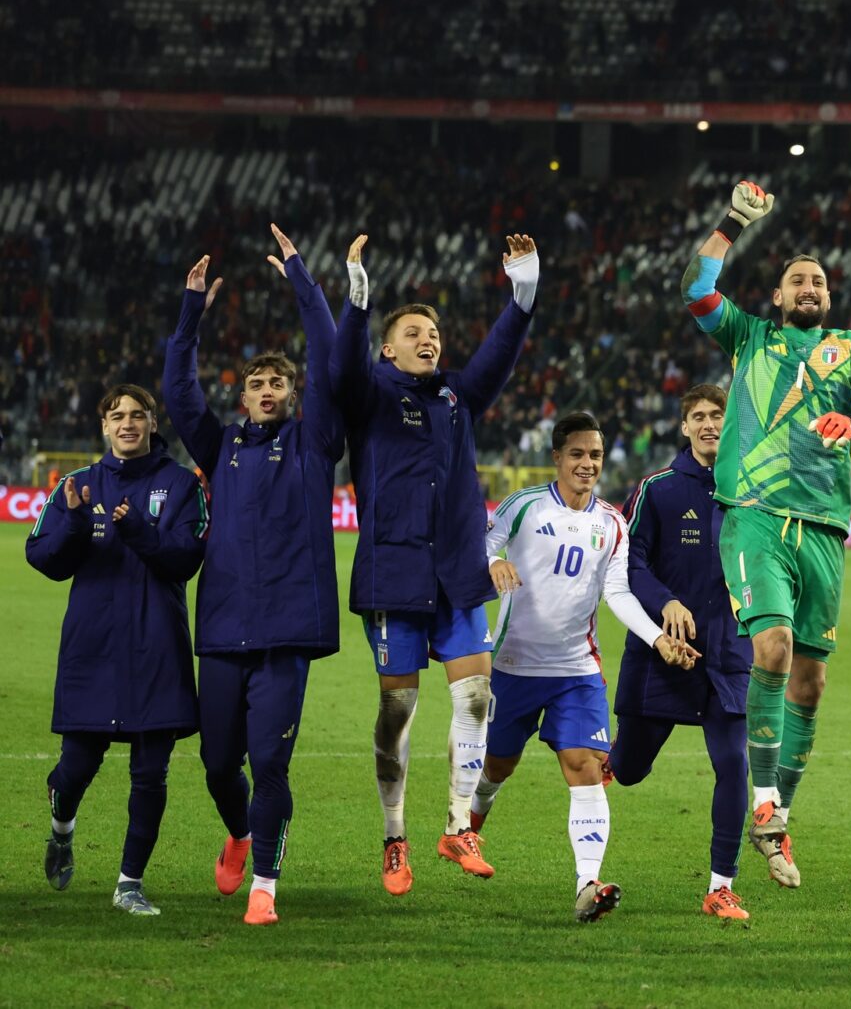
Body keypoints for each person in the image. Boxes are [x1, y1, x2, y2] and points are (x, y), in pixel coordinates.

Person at [681, 179, 851, 888]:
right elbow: (696, 286)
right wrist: (734, 220)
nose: (810, 286)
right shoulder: (749, 337)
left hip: (825, 528)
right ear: (776, 296)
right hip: (757, 516)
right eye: (797, 279)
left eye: (819, 281)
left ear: (829, 297)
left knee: (812, 678)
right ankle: (764, 798)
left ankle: (777, 820)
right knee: (769, 647)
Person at [332, 232, 541, 894]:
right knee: (399, 712)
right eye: (415, 332)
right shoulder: (367, 395)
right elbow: (339, 367)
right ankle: (395, 836)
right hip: (393, 576)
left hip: (455, 575)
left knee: (476, 695)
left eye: (435, 333)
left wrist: (523, 290)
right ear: (388, 347)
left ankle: (457, 826)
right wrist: (359, 298)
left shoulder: (455, 398)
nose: (429, 340)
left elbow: (499, 356)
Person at [160, 226, 344, 925]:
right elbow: (178, 389)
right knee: (216, 764)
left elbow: (327, 357)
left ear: (294, 395)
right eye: (256, 382)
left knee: (269, 761)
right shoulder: (222, 445)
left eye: (278, 382)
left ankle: (265, 880)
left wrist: (302, 279)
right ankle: (239, 833)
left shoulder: (314, 441)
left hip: (288, 630)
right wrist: (191, 312)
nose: (266, 388)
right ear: (243, 398)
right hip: (225, 626)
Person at [468, 411, 697, 923]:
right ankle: (467, 829)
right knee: (498, 764)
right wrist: (493, 564)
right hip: (514, 666)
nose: (587, 463)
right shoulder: (523, 506)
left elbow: (617, 592)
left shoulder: (612, 522)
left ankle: (587, 883)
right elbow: (480, 546)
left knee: (586, 768)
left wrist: (658, 637)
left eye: (594, 455)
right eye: (577, 454)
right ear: (557, 458)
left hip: (576, 669)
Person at [26, 384, 207, 916]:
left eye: (138, 415)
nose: (127, 423)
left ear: (153, 423)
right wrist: (79, 525)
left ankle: (129, 882)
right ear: (104, 426)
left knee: (151, 773)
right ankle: (62, 829)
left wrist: (138, 532)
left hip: (157, 647)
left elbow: (185, 559)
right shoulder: (75, 486)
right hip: (94, 648)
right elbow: (45, 559)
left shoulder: (180, 485)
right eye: (116, 415)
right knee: (73, 770)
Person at [610, 384, 755, 920]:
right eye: (699, 416)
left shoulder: (753, 488)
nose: (710, 424)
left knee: (731, 764)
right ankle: (611, 758)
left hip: (728, 656)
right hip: (664, 654)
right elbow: (629, 563)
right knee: (627, 769)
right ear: (685, 427)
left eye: (718, 415)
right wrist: (666, 602)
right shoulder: (659, 489)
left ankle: (721, 886)